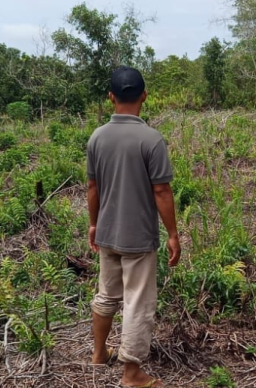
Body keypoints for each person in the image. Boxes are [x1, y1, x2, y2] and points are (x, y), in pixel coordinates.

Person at [87, 66, 181, 388]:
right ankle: (131, 374)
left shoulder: (97, 137)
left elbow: (92, 188)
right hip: (139, 237)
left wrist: (93, 224)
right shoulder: (151, 139)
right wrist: (172, 234)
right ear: (144, 95)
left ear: (110, 97)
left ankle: (99, 354)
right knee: (138, 302)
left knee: (106, 295)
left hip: (107, 233)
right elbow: (161, 191)